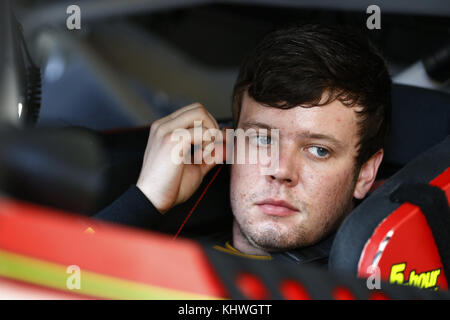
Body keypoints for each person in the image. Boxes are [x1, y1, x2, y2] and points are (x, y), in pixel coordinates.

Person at [94, 24, 392, 266]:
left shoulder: (360, 283)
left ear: (365, 173)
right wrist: (144, 200)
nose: (280, 170)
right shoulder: (174, 239)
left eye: (318, 150)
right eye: (262, 139)